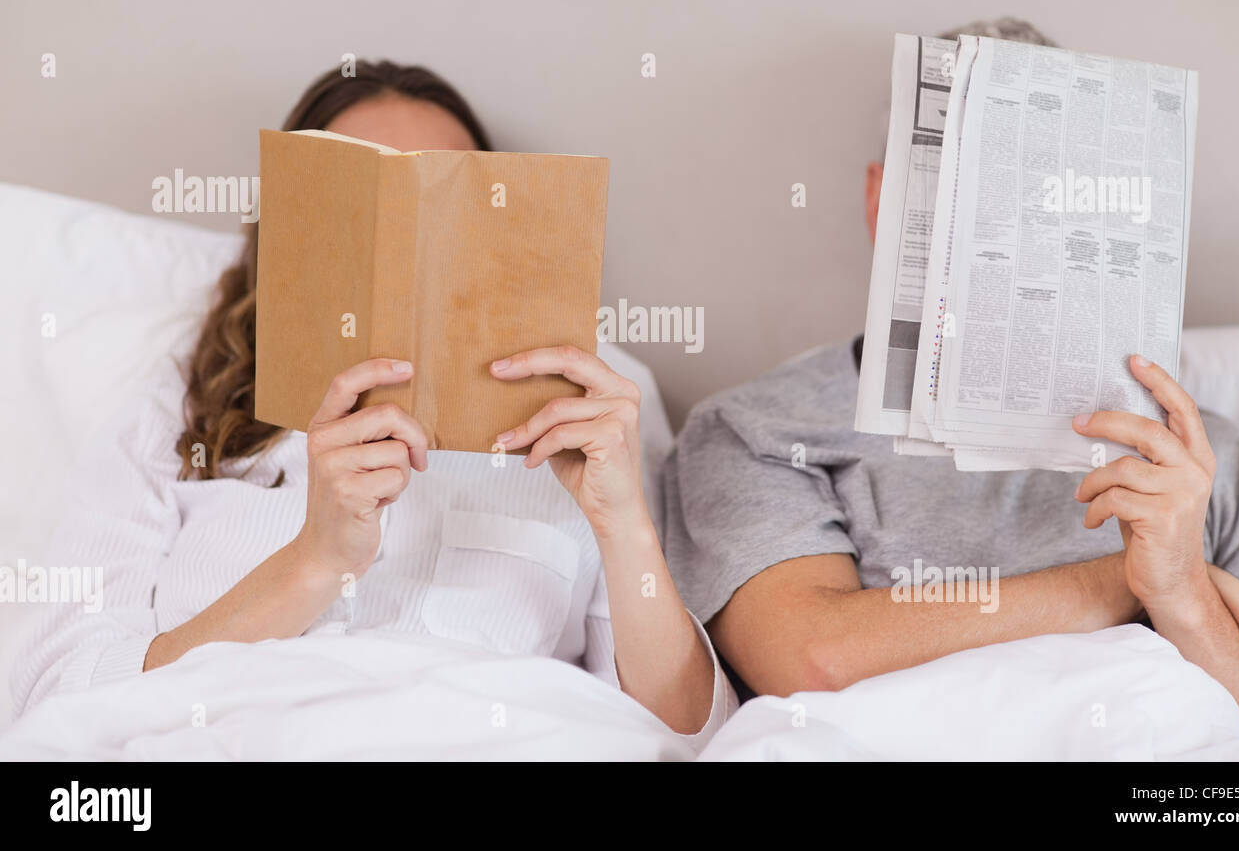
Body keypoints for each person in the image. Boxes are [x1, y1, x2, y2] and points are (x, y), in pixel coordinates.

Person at [13, 60, 735, 742]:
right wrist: (315, 559)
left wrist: (621, 524)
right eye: (361, 209)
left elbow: (688, 735)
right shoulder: (179, 409)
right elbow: (58, 698)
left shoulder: (586, 411)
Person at [663, 19, 1239, 756]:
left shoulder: (1213, 459)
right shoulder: (758, 429)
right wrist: (1128, 583)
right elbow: (814, 662)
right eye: (971, 182)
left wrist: (1185, 591)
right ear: (885, 204)